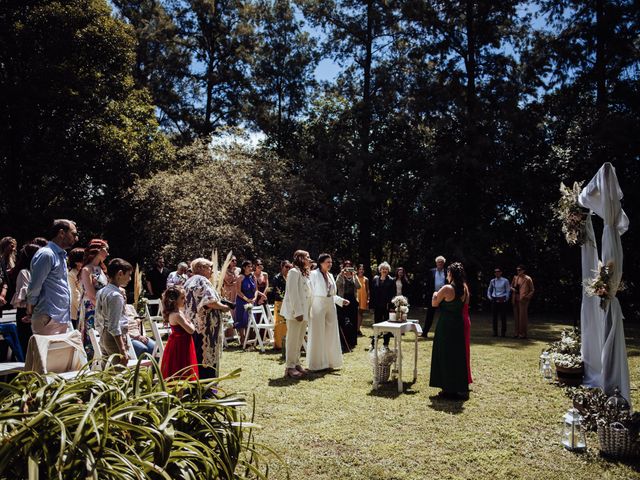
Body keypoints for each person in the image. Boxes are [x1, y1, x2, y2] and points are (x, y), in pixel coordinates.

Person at [26, 219, 78, 335]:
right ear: (61, 233)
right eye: (73, 234)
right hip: (48, 318)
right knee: (46, 353)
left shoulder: (61, 255)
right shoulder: (47, 254)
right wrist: (31, 309)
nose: (76, 238)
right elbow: (35, 285)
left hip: (61, 318)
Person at [183, 258, 231, 378]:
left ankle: (196, 383)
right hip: (205, 327)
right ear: (201, 268)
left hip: (194, 325)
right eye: (210, 267)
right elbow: (209, 301)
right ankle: (207, 386)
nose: (212, 271)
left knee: (196, 356)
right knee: (206, 356)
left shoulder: (189, 281)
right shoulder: (202, 280)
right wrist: (224, 307)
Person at [429, 262, 470, 398]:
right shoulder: (464, 289)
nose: (447, 275)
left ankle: (447, 389)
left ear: (451, 274)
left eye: (448, 272)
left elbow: (434, 303)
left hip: (446, 325)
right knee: (457, 355)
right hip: (458, 324)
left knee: (444, 354)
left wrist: (435, 293)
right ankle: (457, 387)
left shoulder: (447, 288)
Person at [307, 253, 348, 371]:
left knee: (331, 333)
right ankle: (317, 363)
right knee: (318, 333)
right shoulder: (313, 274)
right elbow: (310, 293)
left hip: (330, 305)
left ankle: (331, 361)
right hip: (317, 305)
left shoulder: (330, 275)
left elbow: (331, 294)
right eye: (327, 262)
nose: (330, 264)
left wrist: (340, 300)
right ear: (321, 263)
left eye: (331, 262)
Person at [280, 251, 312, 378]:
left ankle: (297, 363)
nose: (309, 259)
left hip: (304, 312)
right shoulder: (293, 272)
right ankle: (289, 366)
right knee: (292, 339)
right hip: (295, 312)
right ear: (300, 258)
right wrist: (298, 312)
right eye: (307, 257)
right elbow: (293, 294)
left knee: (299, 339)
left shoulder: (304, 273)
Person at [95, 258, 133, 365]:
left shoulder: (102, 291)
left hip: (103, 334)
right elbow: (114, 326)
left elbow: (98, 317)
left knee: (107, 370)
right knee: (119, 372)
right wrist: (122, 349)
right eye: (129, 275)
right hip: (114, 339)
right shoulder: (116, 295)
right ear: (120, 274)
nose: (130, 279)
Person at [79, 239, 109, 359]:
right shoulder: (86, 270)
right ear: (98, 250)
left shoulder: (101, 269)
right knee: (92, 338)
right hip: (91, 308)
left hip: (103, 307)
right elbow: (91, 294)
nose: (107, 253)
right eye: (106, 249)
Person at [160, 285, 198, 379]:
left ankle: (182, 391)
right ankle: (180, 392)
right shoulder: (177, 315)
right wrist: (191, 323)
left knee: (184, 368)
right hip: (179, 346)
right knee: (179, 369)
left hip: (183, 343)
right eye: (182, 298)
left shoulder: (179, 312)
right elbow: (191, 330)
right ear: (174, 300)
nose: (185, 300)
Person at [10, 243, 40, 354]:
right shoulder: (24, 272)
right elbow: (27, 294)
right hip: (25, 312)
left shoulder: (36, 272)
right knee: (28, 346)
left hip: (35, 311)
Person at [336, 260, 361, 352]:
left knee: (353, 320)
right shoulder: (340, 276)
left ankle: (352, 341)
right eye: (346, 267)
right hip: (343, 299)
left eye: (349, 266)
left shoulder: (354, 276)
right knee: (343, 320)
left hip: (353, 300)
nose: (348, 269)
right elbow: (337, 285)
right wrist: (342, 275)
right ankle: (344, 341)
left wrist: (354, 276)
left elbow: (359, 287)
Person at [369, 261, 394, 346]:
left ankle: (385, 344)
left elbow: (393, 295)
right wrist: (371, 305)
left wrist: (392, 306)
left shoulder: (391, 280)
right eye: (383, 269)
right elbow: (372, 293)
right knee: (377, 324)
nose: (384, 270)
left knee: (387, 325)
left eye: (386, 269)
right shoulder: (375, 279)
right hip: (377, 306)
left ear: (388, 270)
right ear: (380, 270)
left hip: (387, 306)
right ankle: (373, 343)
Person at [234, 260, 257, 346]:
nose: (251, 268)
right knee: (241, 319)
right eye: (248, 267)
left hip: (252, 300)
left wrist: (254, 297)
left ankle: (249, 338)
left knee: (250, 320)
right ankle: (242, 339)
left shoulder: (253, 277)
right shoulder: (240, 277)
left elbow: (256, 290)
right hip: (242, 300)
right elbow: (238, 291)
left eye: (251, 266)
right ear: (244, 268)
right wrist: (246, 299)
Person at [423, 255, 447, 338]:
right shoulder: (431, 271)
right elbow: (428, 283)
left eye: (441, 262)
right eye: (438, 262)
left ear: (444, 263)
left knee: (445, 314)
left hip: (444, 296)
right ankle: (424, 333)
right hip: (433, 295)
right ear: (436, 263)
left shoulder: (447, 272)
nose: (440, 263)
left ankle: (444, 333)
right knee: (430, 315)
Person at [271, 260, 292, 350]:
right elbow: (276, 291)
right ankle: (279, 344)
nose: (288, 269)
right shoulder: (277, 278)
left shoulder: (291, 277)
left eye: (289, 267)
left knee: (288, 324)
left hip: (290, 303)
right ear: (282, 267)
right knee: (279, 324)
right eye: (286, 267)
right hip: (280, 303)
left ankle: (288, 343)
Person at [511, 265, 534, 339]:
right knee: (516, 317)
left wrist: (527, 297)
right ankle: (516, 333)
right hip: (515, 299)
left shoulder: (528, 279)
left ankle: (523, 334)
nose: (518, 271)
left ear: (523, 270)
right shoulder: (515, 278)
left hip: (523, 300)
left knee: (522, 317)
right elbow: (511, 286)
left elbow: (532, 290)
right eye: (517, 270)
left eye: (520, 270)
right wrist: (513, 289)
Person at [487, 267, 510, 337]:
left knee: (503, 317)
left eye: (498, 271)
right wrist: (489, 297)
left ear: (501, 272)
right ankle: (495, 332)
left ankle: (503, 333)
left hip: (502, 299)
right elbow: (489, 289)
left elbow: (508, 290)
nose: (497, 273)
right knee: (494, 317)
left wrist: (506, 298)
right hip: (494, 299)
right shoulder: (492, 281)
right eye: (495, 272)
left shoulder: (505, 280)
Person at [67, 247, 85, 330]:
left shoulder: (85, 272)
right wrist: (83, 308)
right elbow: (75, 294)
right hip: (77, 311)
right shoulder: (71, 274)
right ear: (77, 262)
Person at [0, 236, 17, 313]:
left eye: (14, 246)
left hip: (10, 290)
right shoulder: (1, 259)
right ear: (5, 246)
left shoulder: (13, 259)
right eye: (11, 246)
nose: (13, 249)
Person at [356, 264, 369, 336]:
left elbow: (367, 290)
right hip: (356, 297)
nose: (361, 271)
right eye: (360, 269)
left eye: (362, 269)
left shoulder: (366, 279)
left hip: (363, 297)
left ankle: (358, 329)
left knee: (360, 313)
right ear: (357, 270)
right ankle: (354, 329)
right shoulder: (355, 277)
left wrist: (368, 299)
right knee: (355, 313)